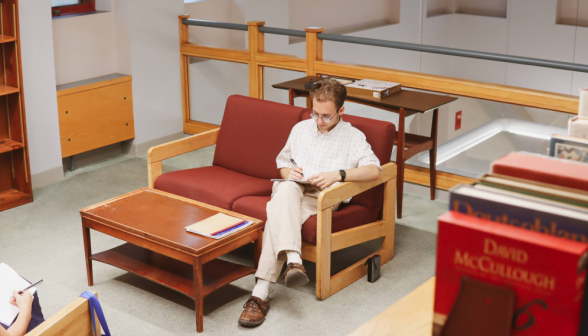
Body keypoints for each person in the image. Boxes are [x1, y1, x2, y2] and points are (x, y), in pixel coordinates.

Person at [238, 78, 382, 327]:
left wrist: (339, 174)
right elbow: (283, 163)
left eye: (326, 116)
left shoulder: (353, 136)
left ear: (341, 111)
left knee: (277, 213)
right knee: (285, 188)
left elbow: (374, 170)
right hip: (292, 189)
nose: (319, 120)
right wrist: (288, 174)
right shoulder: (301, 128)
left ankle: (260, 294)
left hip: (323, 197)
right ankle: (293, 261)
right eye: (315, 113)